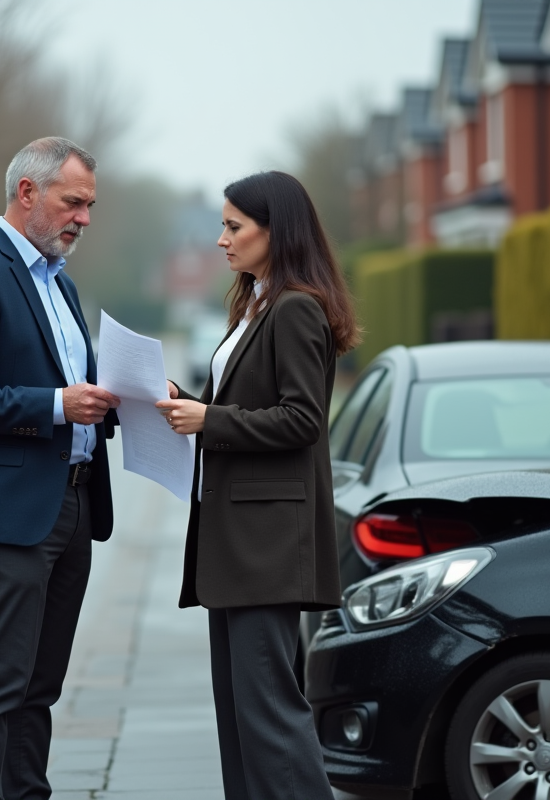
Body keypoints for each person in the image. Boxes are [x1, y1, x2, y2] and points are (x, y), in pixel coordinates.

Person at [156, 171, 360, 800]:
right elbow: (251, 406)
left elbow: (303, 420)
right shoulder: (258, 303)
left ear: (277, 231)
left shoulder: (296, 307)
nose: (221, 239)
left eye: (233, 227)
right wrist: (185, 404)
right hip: (238, 543)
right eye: (222, 224)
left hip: (266, 546)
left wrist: (208, 419)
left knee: (270, 715)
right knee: (242, 716)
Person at [0, 137, 120, 800]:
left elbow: (72, 392)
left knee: (39, 686)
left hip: (72, 506)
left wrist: (121, 404)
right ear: (28, 193)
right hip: (8, 513)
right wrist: (58, 405)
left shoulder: (57, 282)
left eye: (90, 205)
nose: (85, 218)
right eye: (74, 202)